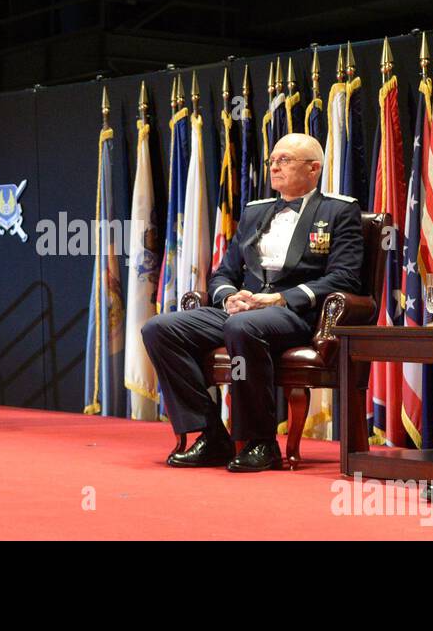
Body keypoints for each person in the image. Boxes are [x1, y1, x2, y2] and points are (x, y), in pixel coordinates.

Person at [141, 133, 364, 471]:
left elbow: (344, 278)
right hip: (242, 310)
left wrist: (279, 298)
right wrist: (229, 297)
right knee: (159, 329)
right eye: (273, 160)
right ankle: (211, 433)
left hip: (294, 314)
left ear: (313, 169)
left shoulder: (338, 210)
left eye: (285, 160)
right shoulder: (254, 212)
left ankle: (261, 442)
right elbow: (223, 274)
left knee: (242, 327)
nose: (274, 166)